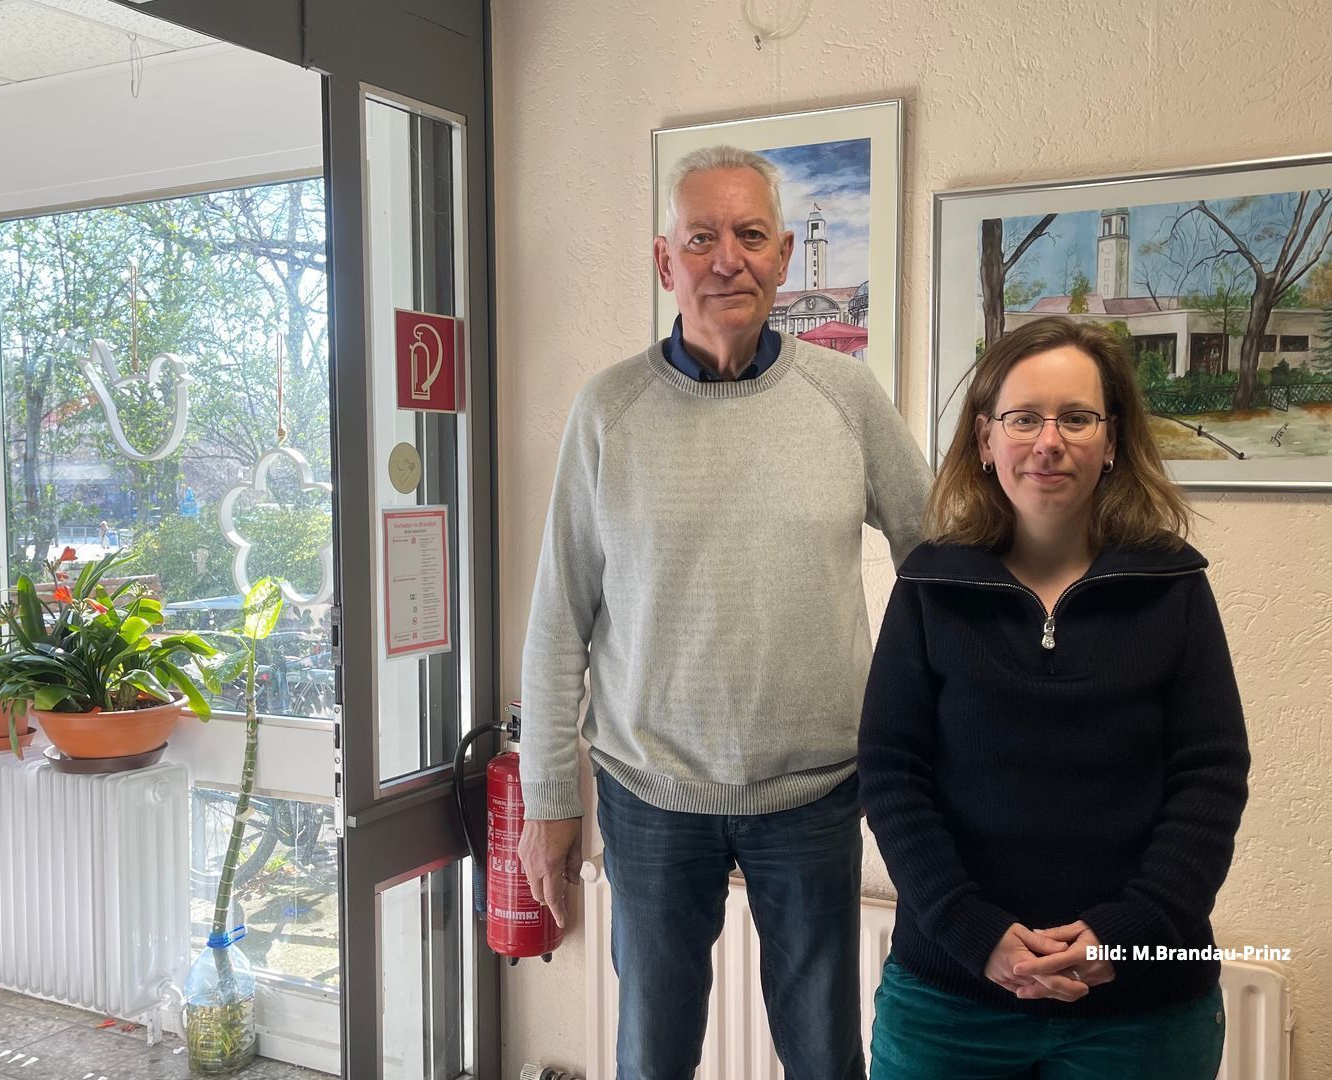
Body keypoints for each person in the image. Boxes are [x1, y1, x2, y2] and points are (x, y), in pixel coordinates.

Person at [518, 145, 930, 1080]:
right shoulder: (607, 411)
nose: (726, 259)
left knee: (824, 1056)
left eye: (749, 235)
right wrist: (548, 801)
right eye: (700, 238)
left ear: (783, 255)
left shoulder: (846, 397)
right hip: (649, 797)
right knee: (652, 1056)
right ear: (665, 261)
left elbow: (937, 562)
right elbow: (557, 622)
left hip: (815, 796)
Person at [859, 317, 1250, 1080]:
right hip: (950, 1002)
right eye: (1023, 418)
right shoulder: (931, 585)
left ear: (1112, 441)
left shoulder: (1172, 585)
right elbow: (891, 773)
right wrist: (975, 934)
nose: (1049, 442)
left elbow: (1210, 778)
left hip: (1142, 1011)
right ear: (984, 439)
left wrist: (1128, 934)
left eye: (1076, 418)